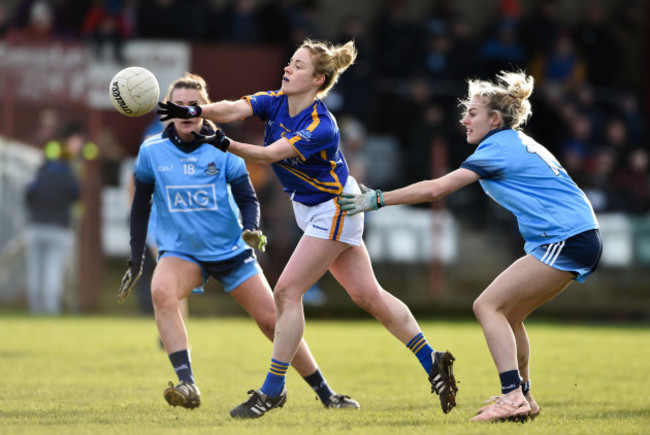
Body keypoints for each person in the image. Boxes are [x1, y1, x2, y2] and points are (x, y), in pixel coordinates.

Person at [156, 39, 458, 419]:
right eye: (289, 62)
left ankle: (272, 390)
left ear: (318, 79)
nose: (287, 69)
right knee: (369, 296)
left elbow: (268, 155)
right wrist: (195, 109)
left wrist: (220, 140)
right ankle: (432, 360)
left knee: (286, 291)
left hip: (335, 208)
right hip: (317, 209)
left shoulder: (321, 126)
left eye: (297, 66)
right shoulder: (275, 100)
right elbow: (233, 107)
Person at [338, 71, 603, 423]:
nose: (464, 119)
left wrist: (378, 199)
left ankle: (512, 397)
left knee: (486, 305)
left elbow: (437, 189)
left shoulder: (498, 148)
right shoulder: (513, 141)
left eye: (473, 113)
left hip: (567, 237)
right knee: (510, 314)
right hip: (574, 236)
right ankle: (523, 396)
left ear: (495, 119)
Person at [117, 72, 359, 411]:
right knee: (162, 291)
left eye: (195, 106)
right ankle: (187, 383)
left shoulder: (223, 148)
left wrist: (251, 227)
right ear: (170, 111)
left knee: (273, 322)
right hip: (183, 252)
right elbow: (140, 204)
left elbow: (248, 198)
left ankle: (326, 393)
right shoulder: (152, 152)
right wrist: (135, 257)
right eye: (180, 106)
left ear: (205, 111)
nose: (188, 112)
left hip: (231, 250)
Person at [24, 123, 82, 315]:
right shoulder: (69, 177)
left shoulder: (40, 174)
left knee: (35, 271)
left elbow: (28, 195)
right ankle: (49, 310)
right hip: (59, 228)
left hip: (35, 226)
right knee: (52, 271)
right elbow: (76, 197)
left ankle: (35, 309)